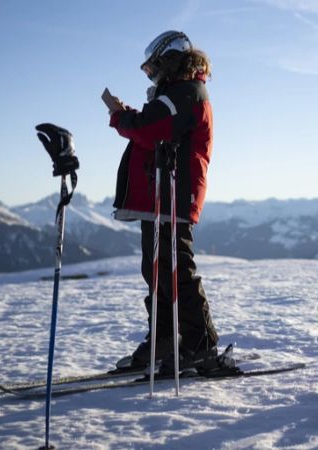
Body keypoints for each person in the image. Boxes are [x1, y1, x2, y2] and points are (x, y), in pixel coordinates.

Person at [102, 30, 219, 374]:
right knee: (157, 271)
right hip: (161, 193)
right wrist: (132, 117)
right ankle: (166, 340)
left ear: (168, 62)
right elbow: (154, 124)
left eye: (153, 69)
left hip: (173, 193)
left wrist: (121, 117)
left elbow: (150, 128)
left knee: (176, 269)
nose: (151, 76)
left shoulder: (186, 93)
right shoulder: (179, 93)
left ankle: (200, 345)